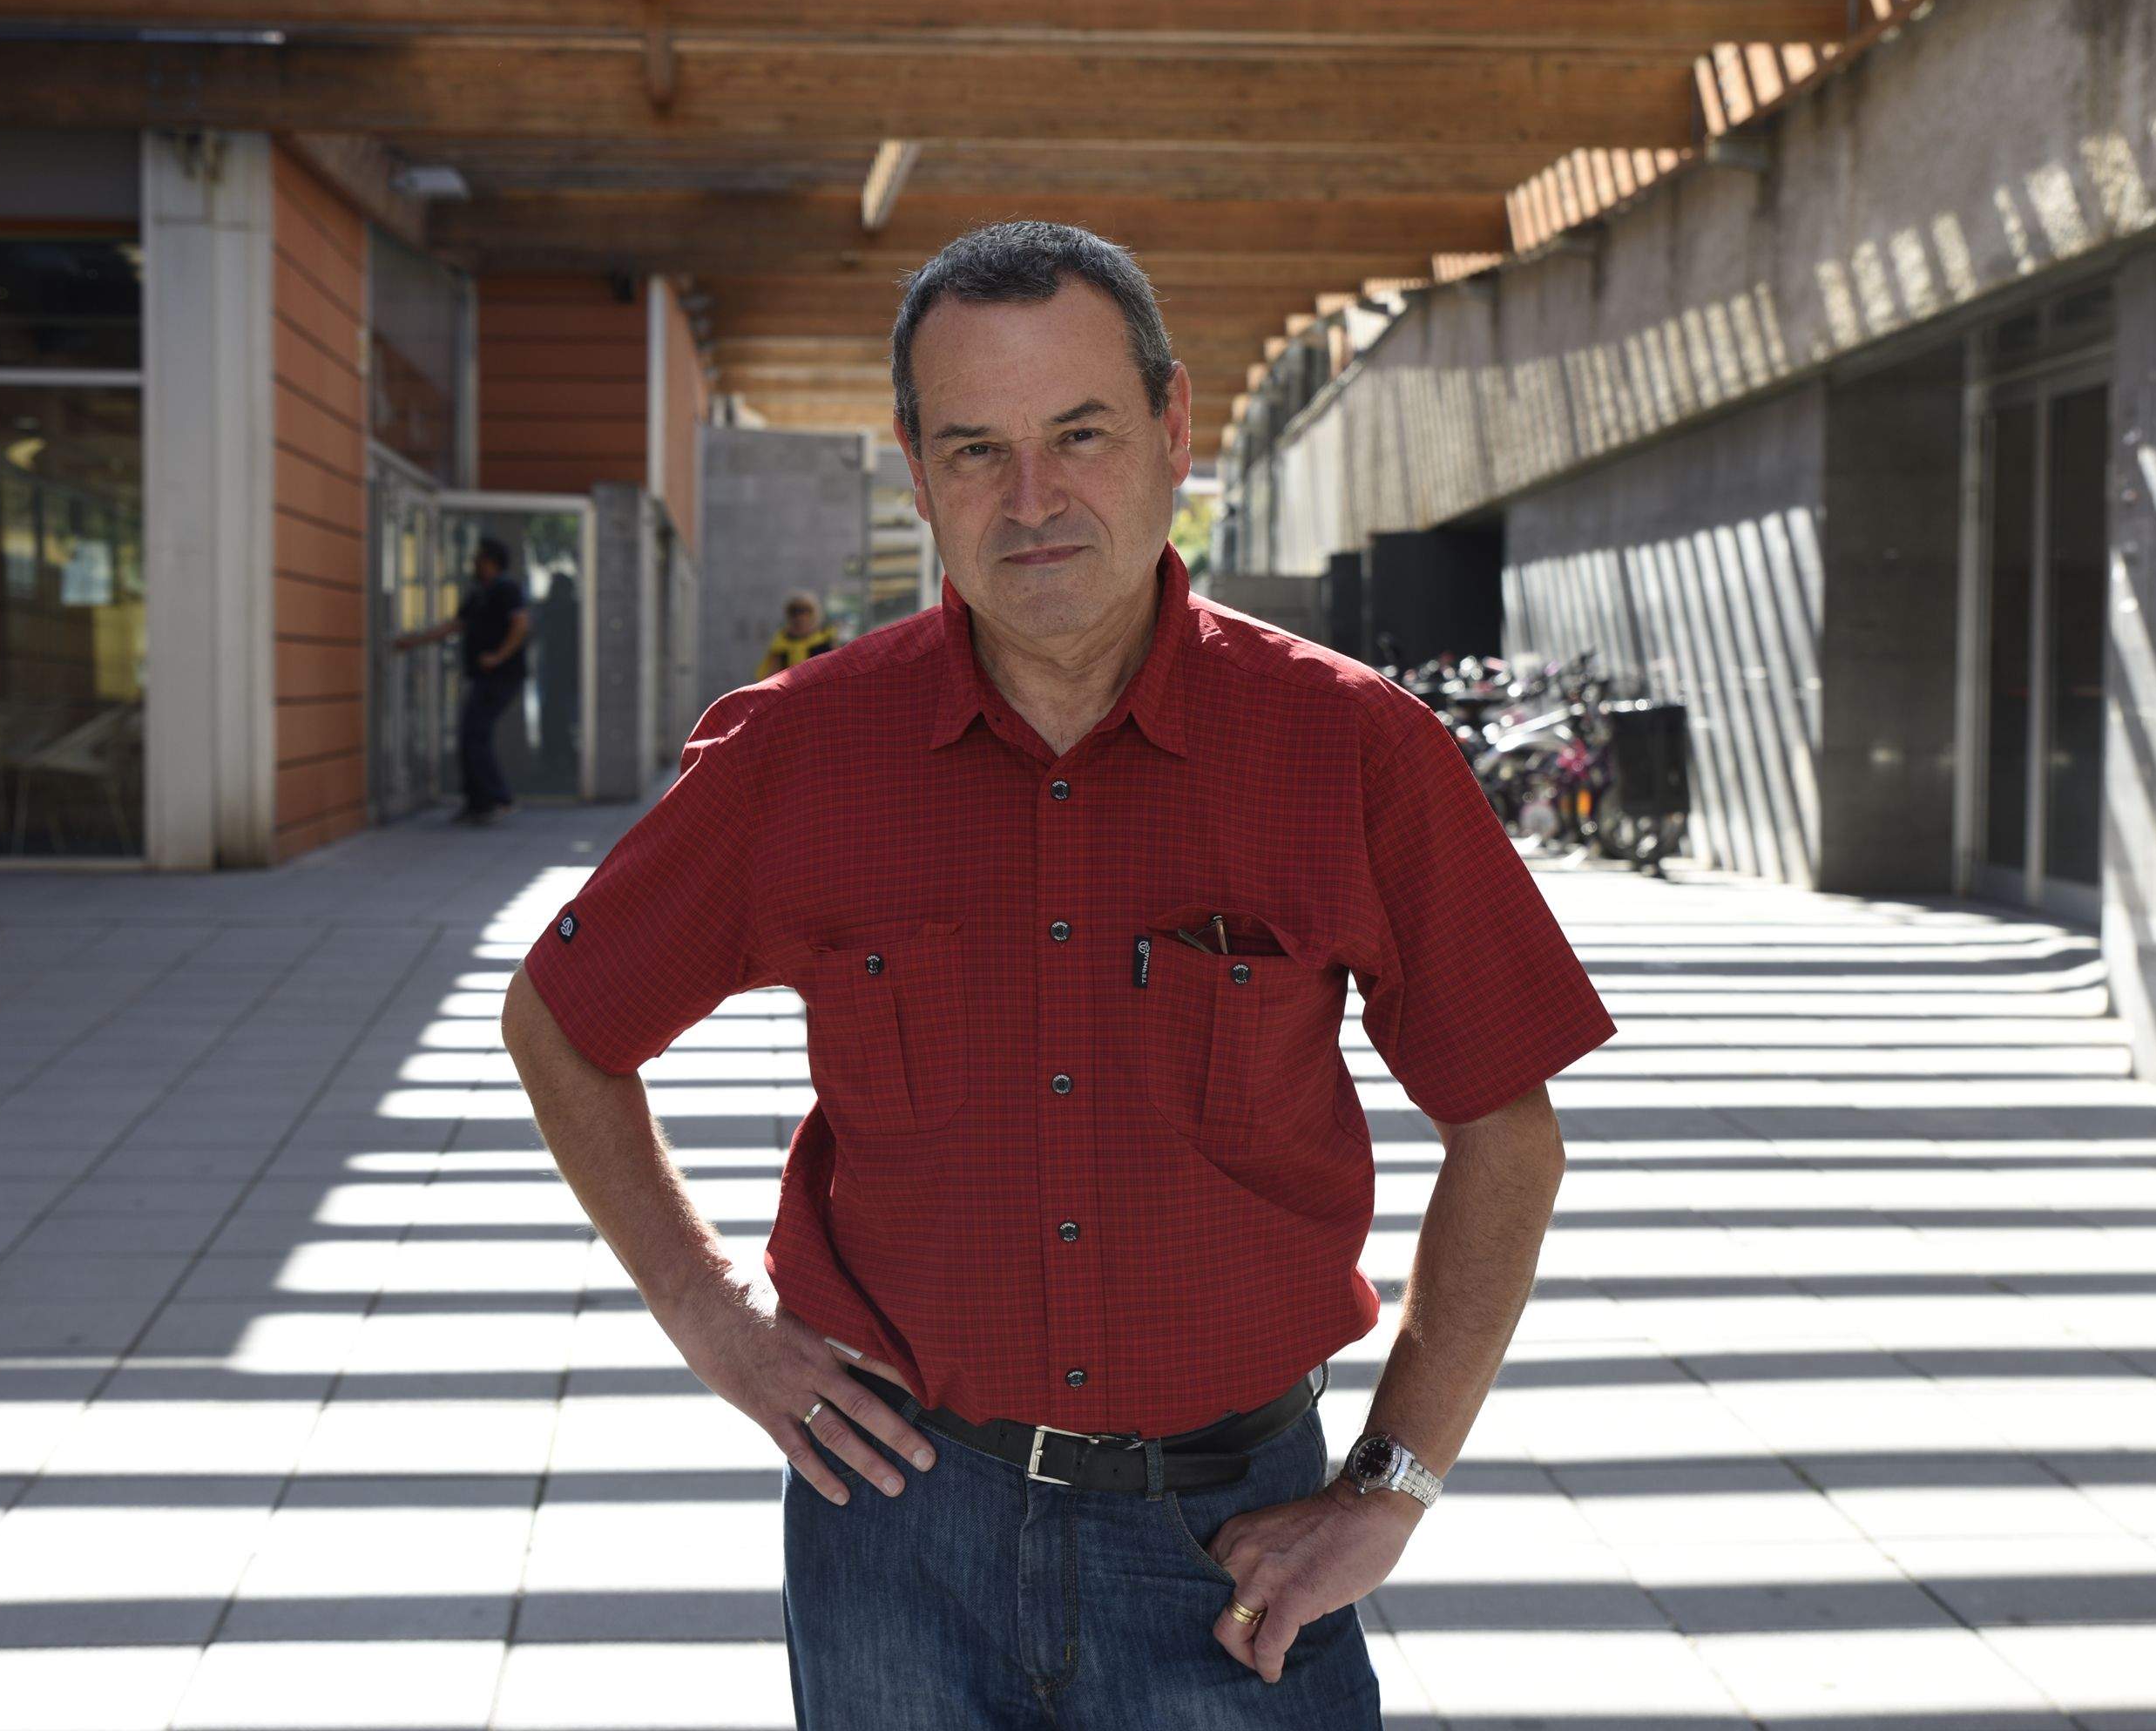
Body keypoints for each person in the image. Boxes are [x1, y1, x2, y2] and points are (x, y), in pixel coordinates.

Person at [501, 222, 1612, 1723]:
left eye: (1080, 435)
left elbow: (1508, 1133)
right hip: (895, 1536)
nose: (1032, 499)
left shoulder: (1351, 751)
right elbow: (562, 1023)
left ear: (1174, 430)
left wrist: (1391, 1487)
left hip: (1236, 1550)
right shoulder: (803, 754)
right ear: (917, 472)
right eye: (977, 450)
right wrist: (714, 1316)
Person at [395, 535, 528, 824]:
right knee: (471, 735)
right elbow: (455, 625)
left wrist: (498, 656)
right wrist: (414, 641)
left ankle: (496, 798)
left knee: (474, 735)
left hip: (501, 677)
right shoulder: (480, 593)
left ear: (491, 561)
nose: (473, 564)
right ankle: (479, 802)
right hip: (485, 678)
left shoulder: (506, 589)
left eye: (478, 559)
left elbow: (520, 625)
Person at [756, 592, 838, 681]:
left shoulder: (825, 638)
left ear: (814, 614)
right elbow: (770, 677)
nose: (799, 617)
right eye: (794, 612)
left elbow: (836, 668)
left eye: (805, 611)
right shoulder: (781, 642)